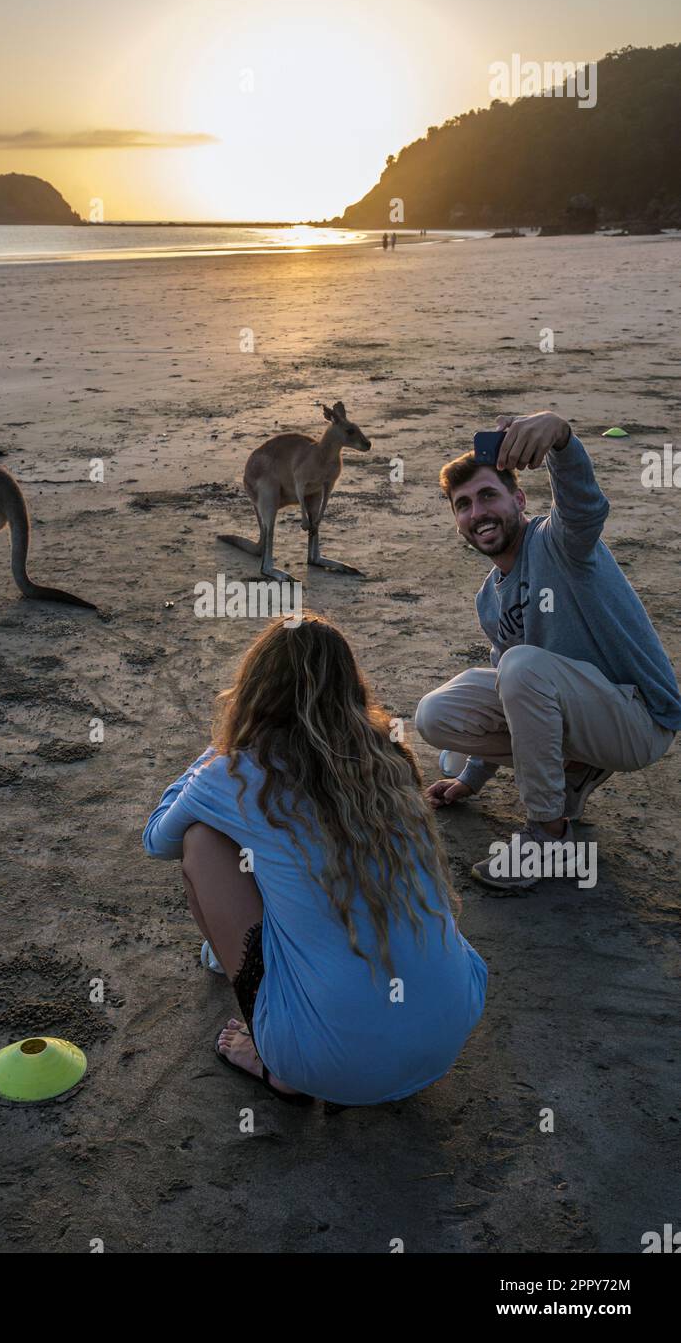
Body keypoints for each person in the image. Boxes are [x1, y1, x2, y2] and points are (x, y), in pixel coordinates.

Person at [143, 615, 487, 1108]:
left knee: (200, 841)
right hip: (449, 1030)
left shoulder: (235, 771)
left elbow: (157, 840)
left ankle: (276, 1062)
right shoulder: (387, 753)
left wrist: (213, 755)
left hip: (327, 1063)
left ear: (255, 690)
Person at [415, 410, 680, 890]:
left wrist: (560, 437)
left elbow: (585, 506)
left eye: (489, 495)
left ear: (518, 499)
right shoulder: (488, 598)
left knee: (520, 666)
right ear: (457, 522)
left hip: (638, 719)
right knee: (436, 714)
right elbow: (512, 696)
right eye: (464, 504)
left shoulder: (560, 543)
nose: (478, 513)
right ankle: (575, 769)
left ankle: (547, 836)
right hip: (578, 715)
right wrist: (470, 780)